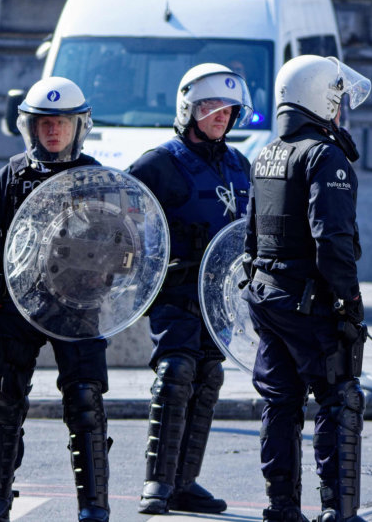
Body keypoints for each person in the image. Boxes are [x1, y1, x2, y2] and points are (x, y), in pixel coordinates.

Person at [0, 76, 111, 522]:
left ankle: (94, 507)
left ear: (79, 126)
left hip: (78, 309)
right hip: (17, 306)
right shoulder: (9, 177)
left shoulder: (97, 179)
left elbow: (124, 248)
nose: (53, 131)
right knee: (3, 402)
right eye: (45, 123)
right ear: (31, 127)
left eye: (61, 123)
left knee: (85, 401)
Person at [241, 55, 371, 522]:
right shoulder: (323, 155)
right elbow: (332, 241)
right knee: (339, 400)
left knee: (280, 402)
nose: (340, 108)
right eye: (336, 98)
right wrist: (350, 303)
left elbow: (251, 236)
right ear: (321, 98)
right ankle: (338, 510)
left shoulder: (268, 152)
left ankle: (281, 508)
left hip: (268, 296)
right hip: (309, 302)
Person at [127, 63, 253, 515]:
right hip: (176, 290)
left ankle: (185, 482)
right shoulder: (158, 163)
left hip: (220, 298)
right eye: (210, 106)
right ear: (189, 109)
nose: (220, 115)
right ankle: (156, 484)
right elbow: (119, 219)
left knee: (207, 377)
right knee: (176, 371)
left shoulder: (241, 165)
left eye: (228, 109)